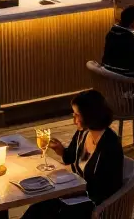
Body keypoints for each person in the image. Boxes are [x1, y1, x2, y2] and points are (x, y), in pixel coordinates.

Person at [22, 90, 125, 218]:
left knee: (47, 210)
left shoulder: (109, 145)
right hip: (75, 193)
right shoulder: (83, 133)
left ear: (89, 116)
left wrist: (70, 192)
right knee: (38, 208)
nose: (74, 120)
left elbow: (105, 189)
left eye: (77, 115)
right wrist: (60, 150)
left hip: (94, 205)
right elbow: (70, 157)